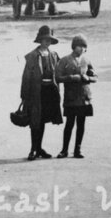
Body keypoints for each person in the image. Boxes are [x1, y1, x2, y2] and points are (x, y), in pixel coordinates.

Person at [19, 26, 63, 161]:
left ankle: (39, 148)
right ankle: (33, 148)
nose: (47, 42)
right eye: (45, 40)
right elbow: (26, 76)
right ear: (40, 40)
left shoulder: (54, 55)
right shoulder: (33, 56)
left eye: (49, 40)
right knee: (35, 120)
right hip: (36, 92)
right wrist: (25, 95)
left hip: (49, 91)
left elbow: (59, 72)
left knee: (43, 119)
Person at [56, 34, 97, 159]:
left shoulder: (86, 60)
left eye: (84, 47)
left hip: (84, 98)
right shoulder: (64, 60)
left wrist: (87, 78)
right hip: (71, 97)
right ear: (73, 47)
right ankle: (64, 150)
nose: (82, 49)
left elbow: (95, 77)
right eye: (79, 46)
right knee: (69, 124)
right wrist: (70, 78)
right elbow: (57, 77)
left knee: (81, 124)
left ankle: (77, 149)